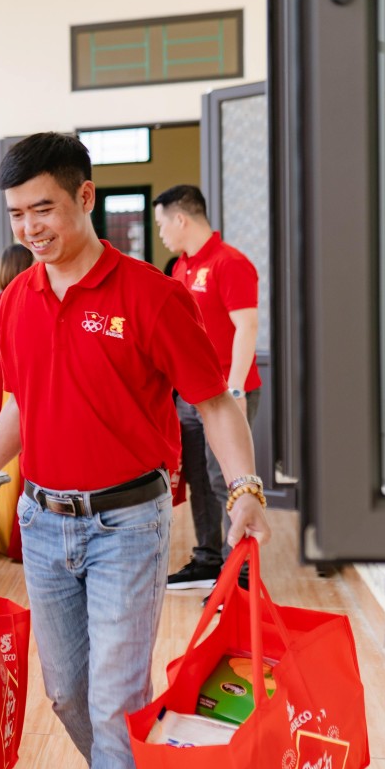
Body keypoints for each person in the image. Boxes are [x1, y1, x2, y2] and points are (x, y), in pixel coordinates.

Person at [0, 132, 270, 769]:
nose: (30, 228)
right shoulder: (14, 303)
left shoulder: (154, 296)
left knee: (116, 699)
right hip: (42, 522)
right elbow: (18, 406)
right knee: (67, 695)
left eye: (44, 209)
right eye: (17, 214)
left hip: (127, 524)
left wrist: (245, 488)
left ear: (84, 196)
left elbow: (217, 402)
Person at [153, 185, 262, 592]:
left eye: (163, 223)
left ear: (181, 219)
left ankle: (244, 569)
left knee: (226, 478)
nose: (161, 233)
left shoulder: (229, 263)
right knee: (199, 477)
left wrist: (234, 389)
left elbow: (246, 326)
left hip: (227, 395)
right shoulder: (180, 268)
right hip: (190, 394)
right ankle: (207, 559)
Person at [0, 243, 33, 559]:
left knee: (2, 457)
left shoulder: (4, 299)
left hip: (4, 382)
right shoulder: (34, 296)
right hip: (24, 380)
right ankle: (21, 538)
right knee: (22, 459)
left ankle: (3, 536)